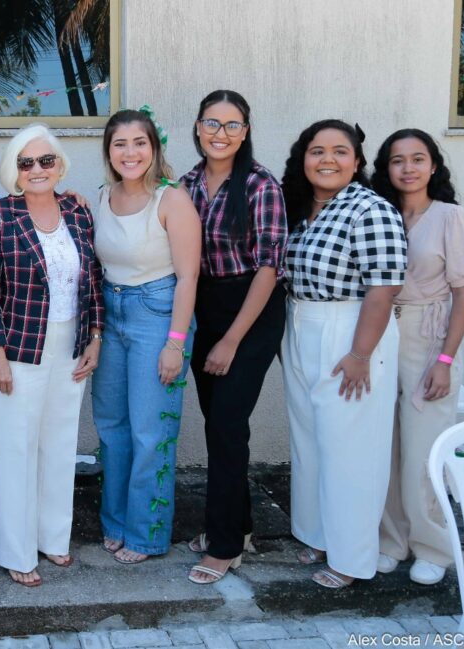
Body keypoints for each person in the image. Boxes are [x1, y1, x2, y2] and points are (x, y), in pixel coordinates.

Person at [0, 123, 104, 587]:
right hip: (18, 347)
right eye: (25, 162)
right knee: (16, 449)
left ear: (60, 165)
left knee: (60, 444)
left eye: (46, 160)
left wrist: (95, 338)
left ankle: (53, 538)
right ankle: (16, 550)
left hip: (71, 344)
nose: (37, 169)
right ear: (14, 170)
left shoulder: (78, 212)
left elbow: (93, 281)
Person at [280, 119, 407, 588]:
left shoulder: (370, 209)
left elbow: (384, 287)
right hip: (302, 321)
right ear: (304, 158)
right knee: (310, 439)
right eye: (317, 151)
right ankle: (318, 535)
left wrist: (359, 353)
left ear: (356, 161)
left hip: (351, 329)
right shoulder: (302, 209)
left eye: (339, 151)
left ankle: (351, 559)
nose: (327, 159)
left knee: (351, 447)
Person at [179, 90, 288, 584]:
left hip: (251, 310)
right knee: (220, 425)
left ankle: (222, 546)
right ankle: (239, 527)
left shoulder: (261, 185)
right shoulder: (186, 184)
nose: (220, 133)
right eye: (211, 123)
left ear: (245, 132)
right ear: (198, 127)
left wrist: (231, 341)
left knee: (226, 423)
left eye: (231, 124)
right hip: (204, 307)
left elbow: (269, 268)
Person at [92, 108, 200, 567]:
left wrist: (175, 343)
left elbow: (189, 277)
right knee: (112, 427)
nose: (130, 152)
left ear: (154, 148)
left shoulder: (172, 200)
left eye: (140, 142)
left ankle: (146, 533)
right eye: (120, 144)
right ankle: (116, 523)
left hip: (157, 314)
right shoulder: (102, 196)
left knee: (150, 431)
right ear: (109, 152)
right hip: (111, 311)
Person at [371, 129, 464, 586]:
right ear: (387, 168)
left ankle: (433, 546)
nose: (408, 168)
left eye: (418, 159)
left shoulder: (451, 217)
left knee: (423, 447)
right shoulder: (380, 213)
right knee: (384, 446)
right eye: (398, 160)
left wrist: (445, 361)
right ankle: (390, 541)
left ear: (433, 165)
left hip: (428, 335)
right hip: (380, 332)